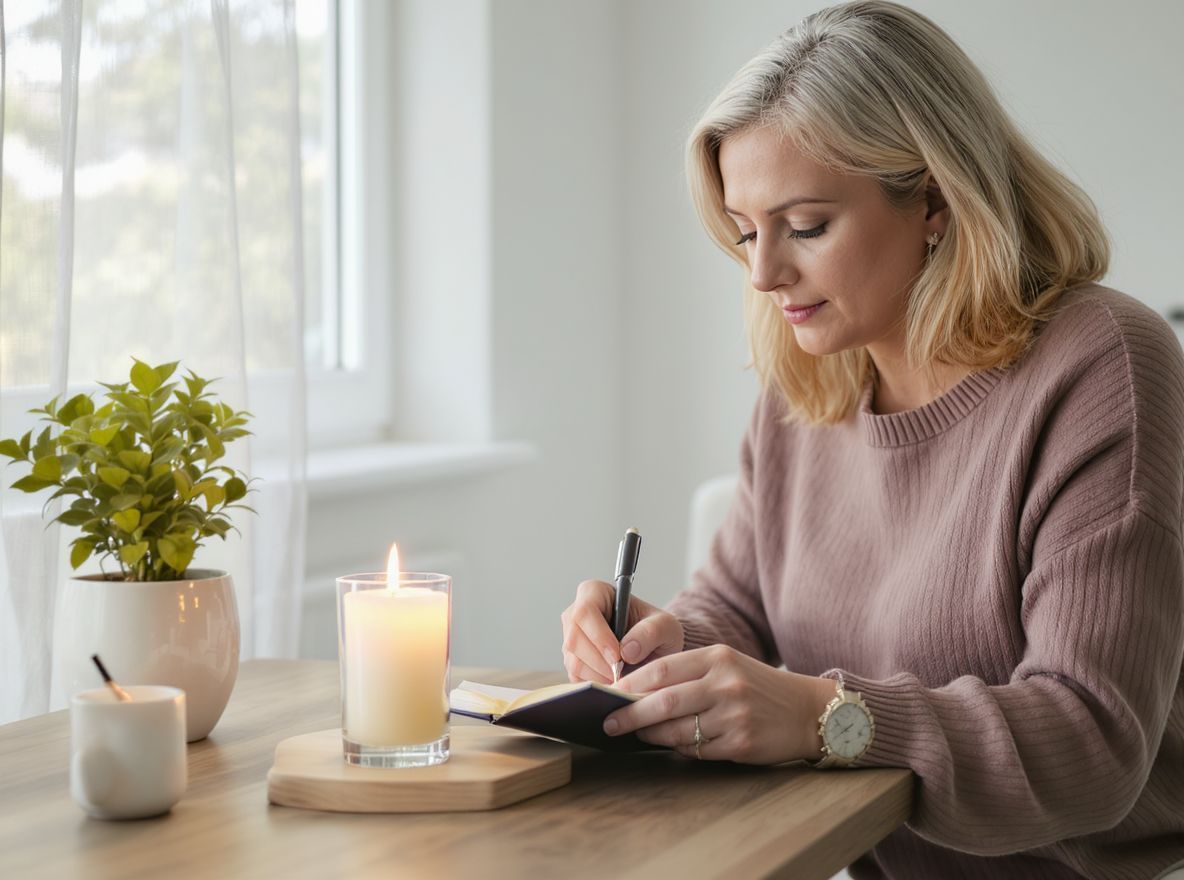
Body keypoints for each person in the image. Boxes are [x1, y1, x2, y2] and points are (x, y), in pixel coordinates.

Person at [558, 2, 1184, 878]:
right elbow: (741, 613)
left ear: (933, 196)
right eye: (745, 233)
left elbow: (1093, 742)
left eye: (806, 226)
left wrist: (825, 717)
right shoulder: (808, 371)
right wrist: (661, 646)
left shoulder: (1102, 363)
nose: (765, 274)